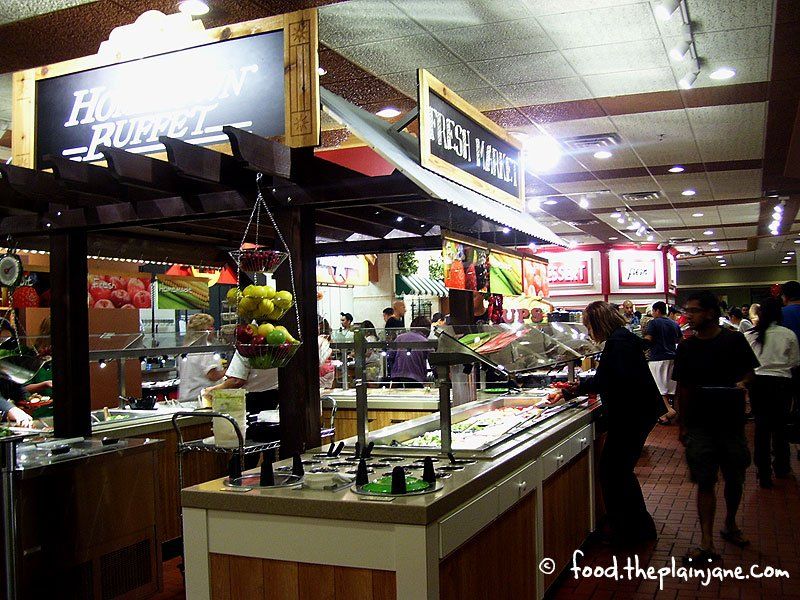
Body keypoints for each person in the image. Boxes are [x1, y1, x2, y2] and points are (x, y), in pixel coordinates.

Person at [556, 301, 664, 546]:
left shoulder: (618, 343)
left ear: (597, 323)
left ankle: (630, 530)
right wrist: (578, 388)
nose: (589, 333)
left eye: (589, 326)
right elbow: (611, 378)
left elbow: (611, 380)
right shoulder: (622, 338)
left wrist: (577, 389)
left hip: (631, 415)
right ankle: (636, 526)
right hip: (637, 413)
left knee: (615, 473)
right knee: (619, 472)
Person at [674, 291, 759, 563]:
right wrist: (682, 424)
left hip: (731, 422)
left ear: (710, 312)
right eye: (688, 310)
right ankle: (706, 541)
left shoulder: (734, 340)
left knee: (735, 478)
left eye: (694, 310)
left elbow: (751, 373)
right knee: (705, 481)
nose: (689, 316)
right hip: (700, 424)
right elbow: (682, 387)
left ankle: (730, 524)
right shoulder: (686, 347)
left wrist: (742, 385)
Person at [744, 298, 799, 487]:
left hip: (758, 383)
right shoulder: (788, 334)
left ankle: (763, 471)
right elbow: (794, 362)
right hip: (782, 383)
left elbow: (745, 363)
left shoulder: (750, 335)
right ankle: (782, 467)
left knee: (761, 428)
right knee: (780, 426)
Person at [202, 350, 279, 413]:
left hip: (253, 400)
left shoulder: (245, 348)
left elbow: (236, 381)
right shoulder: (276, 347)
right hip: (274, 395)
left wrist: (213, 390)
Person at [644, 301, 682, 425]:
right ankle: (673, 413)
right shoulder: (674, 324)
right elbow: (681, 340)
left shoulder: (653, 323)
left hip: (657, 359)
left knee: (659, 388)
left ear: (657, 311)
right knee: (672, 389)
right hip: (673, 358)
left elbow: (648, 340)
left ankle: (668, 411)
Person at [178, 313, 225, 402]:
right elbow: (212, 375)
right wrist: (229, 370)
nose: (213, 330)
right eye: (211, 327)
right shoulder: (205, 348)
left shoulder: (186, 347)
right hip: (202, 398)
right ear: (204, 330)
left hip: (186, 396)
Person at [389, 315, 431, 387]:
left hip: (397, 377)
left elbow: (390, 356)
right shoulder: (425, 341)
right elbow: (433, 360)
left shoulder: (399, 338)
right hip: (416, 378)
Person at [318, 317, 334, 389]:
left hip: (321, 369)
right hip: (330, 368)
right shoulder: (327, 339)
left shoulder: (319, 339)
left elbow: (319, 359)